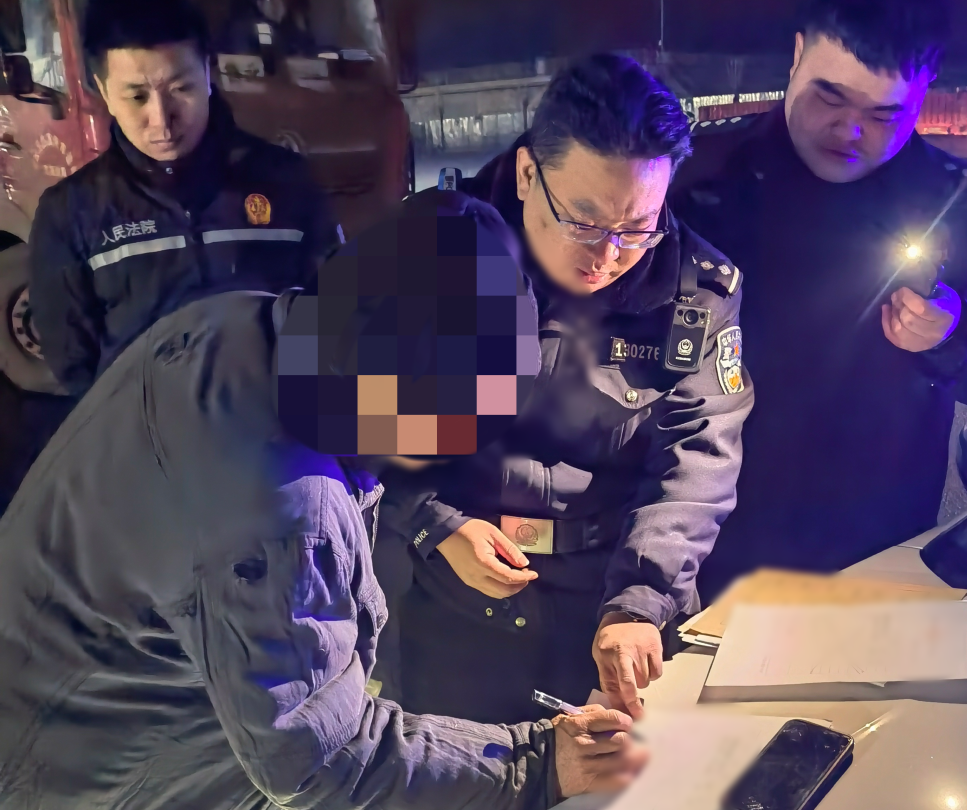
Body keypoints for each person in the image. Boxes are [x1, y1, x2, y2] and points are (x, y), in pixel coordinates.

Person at [0, 191, 647, 809]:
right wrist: (535, 765)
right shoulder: (280, 512)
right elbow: (321, 761)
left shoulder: (248, 324)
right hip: (88, 781)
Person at [376, 53, 753, 725]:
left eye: (637, 228)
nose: (608, 255)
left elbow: (699, 454)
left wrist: (641, 600)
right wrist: (435, 522)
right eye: (583, 221)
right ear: (528, 175)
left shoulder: (696, 290)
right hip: (453, 598)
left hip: (610, 599)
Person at [672, 0, 967, 602]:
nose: (849, 130)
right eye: (829, 97)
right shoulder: (692, 175)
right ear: (797, 54)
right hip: (699, 544)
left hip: (875, 554)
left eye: (883, 114)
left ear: (923, 94)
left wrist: (958, 332)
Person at [29, 0, 339, 399]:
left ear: (208, 73)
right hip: (145, 433)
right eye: (137, 97)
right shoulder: (71, 213)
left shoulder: (287, 181)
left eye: (181, 89)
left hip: (274, 421)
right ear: (104, 91)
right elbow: (74, 362)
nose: (162, 120)